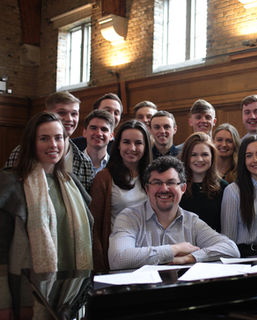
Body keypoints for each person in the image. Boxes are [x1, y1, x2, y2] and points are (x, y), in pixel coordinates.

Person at [0, 112, 93, 318]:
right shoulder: (11, 183)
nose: (53, 144)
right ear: (31, 142)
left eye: (58, 138)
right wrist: (3, 303)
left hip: (68, 296)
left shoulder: (72, 183)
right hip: (25, 294)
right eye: (44, 138)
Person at [108, 156, 240, 269]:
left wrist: (189, 258)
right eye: (157, 183)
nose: (164, 189)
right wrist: (174, 249)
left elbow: (231, 249)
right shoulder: (129, 218)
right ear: (147, 189)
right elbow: (117, 259)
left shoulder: (192, 222)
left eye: (171, 182)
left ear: (182, 188)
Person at [89, 120, 152, 272]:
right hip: (118, 257)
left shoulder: (153, 177)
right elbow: (94, 228)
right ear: (118, 145)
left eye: (138, 143)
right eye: (126, 142)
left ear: (146, 146)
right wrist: (100, 267)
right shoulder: (104, 178)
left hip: (150, 254)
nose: (132, 148)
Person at [5, 91, 94, 191]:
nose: (69, 119)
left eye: (74, 114)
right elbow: (9, 191)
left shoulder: (85, 163)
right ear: (47, 113)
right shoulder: (22, 152)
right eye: (62, 113)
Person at [221, 134, 257, 257]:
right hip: (245, 256)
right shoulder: (233, 191)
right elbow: (228, 239)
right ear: (243, 160)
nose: (255, 160)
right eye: (249, 156)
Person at [179, 132, 228, 231]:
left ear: (212, 157)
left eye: (205, 154)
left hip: (214, 244)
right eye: (194, 155)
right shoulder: (177, 187)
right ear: (186, 157)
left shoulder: (223, 187)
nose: (199, 159)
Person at [82, 110, 115, 175]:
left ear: (111, 136)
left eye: (104, 129)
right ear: (84, 132)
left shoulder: (116, 167)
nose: (99, 133)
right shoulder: (71, 163)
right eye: (93, 128)